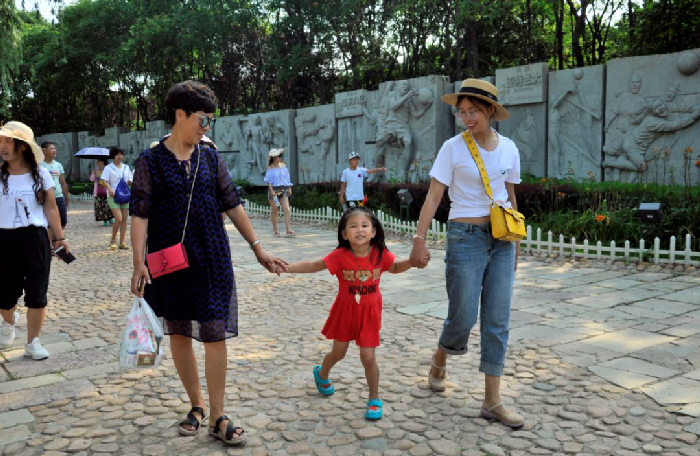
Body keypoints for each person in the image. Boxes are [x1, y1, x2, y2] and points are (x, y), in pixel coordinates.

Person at [130, 80, 287, 445]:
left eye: (211, 121)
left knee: (215, 334)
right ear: (180, 115)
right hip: (169, 262)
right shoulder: (150, 162)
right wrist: (138, 263)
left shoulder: (211, 157)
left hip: (213, 257)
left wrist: (258, 247)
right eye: (202, 119)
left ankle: (218, 415)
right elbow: (140, 213)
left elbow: (232, 203)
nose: (206, 127)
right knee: (181, 333)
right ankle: (196, 406)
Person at [409, 79, 524, 428]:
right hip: (464, 237)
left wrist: (516, 246)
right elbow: (432, 197)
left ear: (490, 111)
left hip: (501, 241)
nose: (467, 118)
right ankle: (440, 356)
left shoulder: (509, 149)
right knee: (462, 318)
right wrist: (420, 237)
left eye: (473, 112)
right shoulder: (453, 148)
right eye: (462, 112)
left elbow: (510, 199)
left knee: (497, 320)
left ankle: (492, 401)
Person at [281, 206, 412, 420]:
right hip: (345, 311)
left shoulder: (380, 254)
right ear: (344, 233)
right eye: (353, 226)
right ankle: (321, 374)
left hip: (369, 313)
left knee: (368, 357)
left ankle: (374, 398)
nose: (359, 230)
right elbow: (314, 265)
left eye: (364, 225)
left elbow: (395, 268)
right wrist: (285, 267)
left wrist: (412, 262)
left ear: (373, 231)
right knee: (338, 354)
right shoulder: (340, 256)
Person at [0, 121, 69, 359]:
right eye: (1, 141)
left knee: (37, 291)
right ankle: (9, 321)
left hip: (35, 237)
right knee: (5, 295)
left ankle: (33, 342)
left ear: (22, 146)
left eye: (8, 141)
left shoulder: (40, 173)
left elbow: (51, 208)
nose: (3, 146)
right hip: (4, 239)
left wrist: (59, 237)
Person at [100, 147, 132, 249]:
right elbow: (104, 181)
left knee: (125, 219)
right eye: (117, 154)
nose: (120, 156)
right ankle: (113, 240)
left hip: (124, 195)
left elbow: (130, 179)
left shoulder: (126, 167)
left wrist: (131, 181)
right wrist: (109, 188)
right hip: (113, 195)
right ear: (113, 156)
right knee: (119, 218)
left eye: (121, 154)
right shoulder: (108, 168)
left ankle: (122, 242)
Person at [40, 142, 69, 235]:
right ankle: (51, 244)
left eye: (55, 148)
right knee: (49, 223)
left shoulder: (58, 165)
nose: (54, 150)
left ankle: (55, 239)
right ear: (43, 151)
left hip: (59, 196)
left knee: (63, 220)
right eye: (52, 148)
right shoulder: (39, 165)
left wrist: (66, 197)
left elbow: (63, 183)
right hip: (46, 198)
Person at [264, 148, 294, 236]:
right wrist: (271, 190)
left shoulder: (283, 165)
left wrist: (289, 187)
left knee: (286, 209)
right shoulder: (270, 167)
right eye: (278, 156)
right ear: (274, 157)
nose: (280, 157)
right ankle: (275, 229)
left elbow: (287, 178)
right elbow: (269, 181)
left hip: (283, 188)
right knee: (275, 210)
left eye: (281, 156)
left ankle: (288, 229)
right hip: (274, 189)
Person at [90, 158, 113, 226]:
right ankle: (105, 220)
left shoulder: (108, 170)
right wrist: (94, 174)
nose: (98, 162)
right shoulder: (96, 170)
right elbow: (91, 179)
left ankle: (110, 218)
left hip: (107, 191)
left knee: (108, 205)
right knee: (101, 206)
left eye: (99, 161)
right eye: (97, 161)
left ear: (103, 162)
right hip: (98, 191)